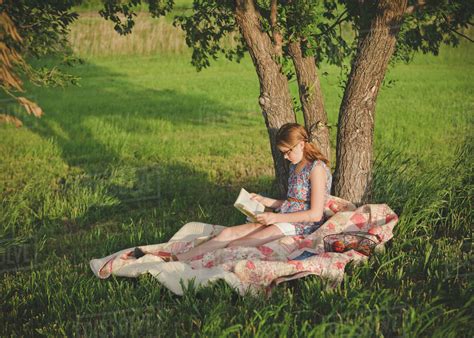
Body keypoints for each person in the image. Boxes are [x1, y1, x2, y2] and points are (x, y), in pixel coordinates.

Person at [131, 123, 332, 262]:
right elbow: (293, 202)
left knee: (239, 243)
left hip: (301, 226)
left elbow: (314, 214)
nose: (286, 157)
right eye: (283, 153)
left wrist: (275, 219)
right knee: (227, 233)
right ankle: (177, 259)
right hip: (285, 217)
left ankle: (200, 263)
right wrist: (265, 201)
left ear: (302, 144)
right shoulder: (295, 166)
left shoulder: (316, 168)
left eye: (288, 151)